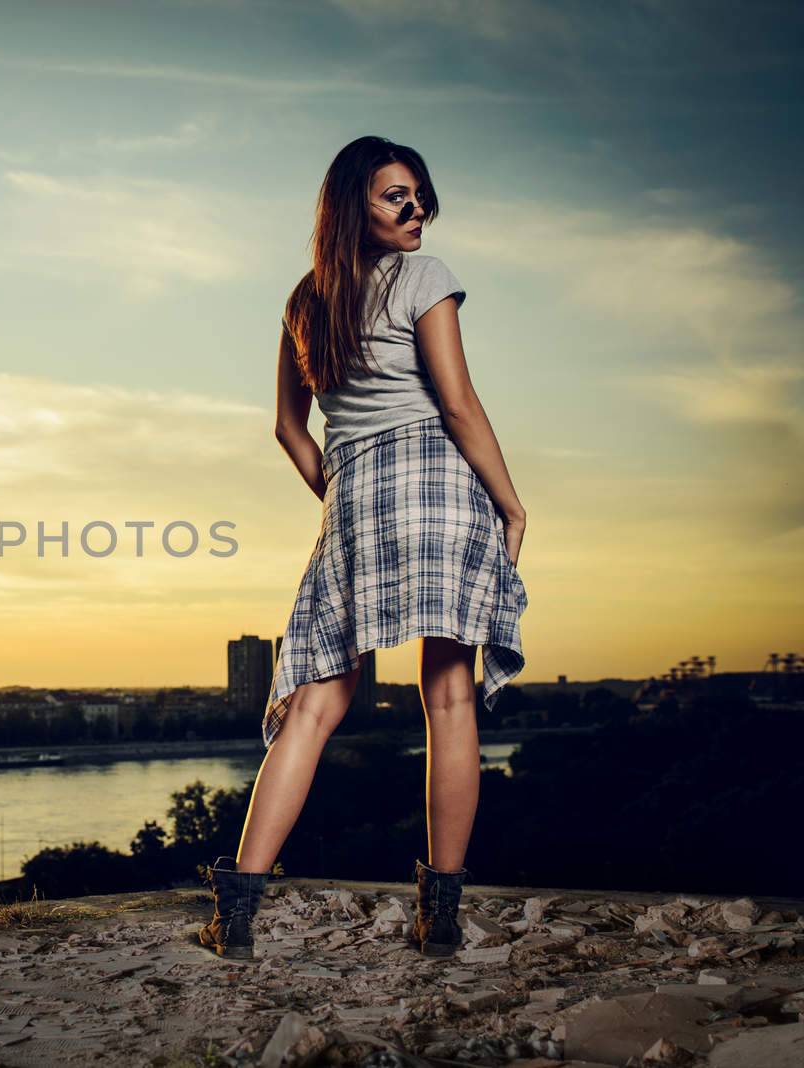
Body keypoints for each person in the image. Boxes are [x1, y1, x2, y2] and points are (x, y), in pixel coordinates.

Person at [198, 136, 529, 961]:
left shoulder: (305, 300)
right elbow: (457, 404)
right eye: (395, 197)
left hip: (356, 495)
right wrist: (511, 504)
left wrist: (343, 490)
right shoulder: (425, 277)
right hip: (444, 488)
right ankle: (440, 918)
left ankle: (236, 917)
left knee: (314, 704)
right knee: (447, 699)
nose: (417, 209)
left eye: (419, 195)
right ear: (354, 204)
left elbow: (288, 428)